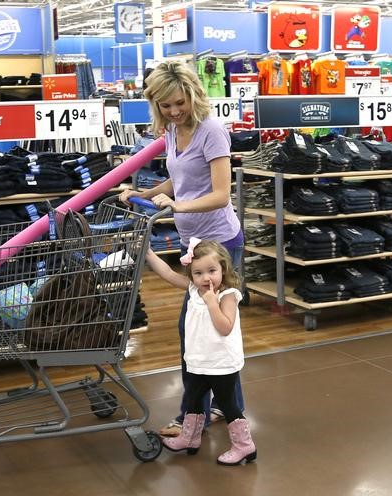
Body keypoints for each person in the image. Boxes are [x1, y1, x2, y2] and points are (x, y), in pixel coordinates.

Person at [119, 60, 244, 437]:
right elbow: (180, 179)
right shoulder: (173, 131)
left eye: (179, 103)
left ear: (192, 95)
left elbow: (221, 194)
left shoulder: (212, 132)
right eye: (165, 106)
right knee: (204, 332)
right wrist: (147, 194)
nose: (174, 112)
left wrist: (177, 208)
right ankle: (219, 408)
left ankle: (195, 415)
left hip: (219, 243)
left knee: (202, 331)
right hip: (195, 240)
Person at [145, 239, 256, 466]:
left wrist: (212, 303)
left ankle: (245, 446)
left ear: (223, 269)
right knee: (193, 400)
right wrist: (146, 252)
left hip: (221, 363)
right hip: (198, 360)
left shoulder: (228, 295)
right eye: (198, 273)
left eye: (212, 271)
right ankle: (190, 438)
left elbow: (225, 327)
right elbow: (167, 272)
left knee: (228, 404)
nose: (206, 278)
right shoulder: (194, 288)